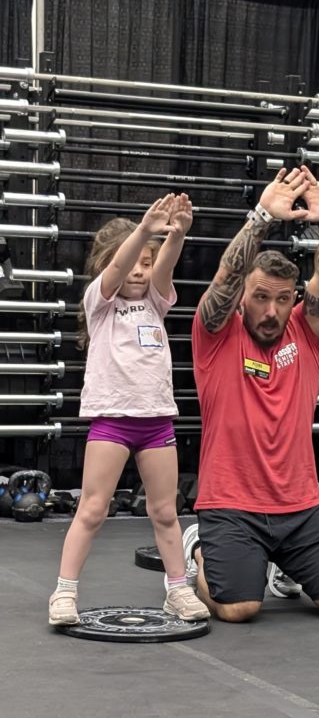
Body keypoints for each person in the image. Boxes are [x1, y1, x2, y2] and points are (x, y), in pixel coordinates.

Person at [183, 164, 319, 622]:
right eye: (261, 297)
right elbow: (226, 276)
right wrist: (262, 217)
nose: (271, 310)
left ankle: (284, 561)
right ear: (244, 297)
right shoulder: (217, 334)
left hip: (299, 506)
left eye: (282, 299)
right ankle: (199, 550)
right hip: (231, 505)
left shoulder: (306, 333)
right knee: (239, 608)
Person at [48, 194, 210, 625]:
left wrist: (176, 234)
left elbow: (167, 263)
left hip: (156, 422)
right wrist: (142, 231)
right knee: (93, 508)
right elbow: (117, 269)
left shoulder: (155, 300)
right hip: (112, 423)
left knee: (165, 511)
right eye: (132, 261)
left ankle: (177, 589)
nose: (138, 270)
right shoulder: (99, 303)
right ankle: (64, 594)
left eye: (146, 262)